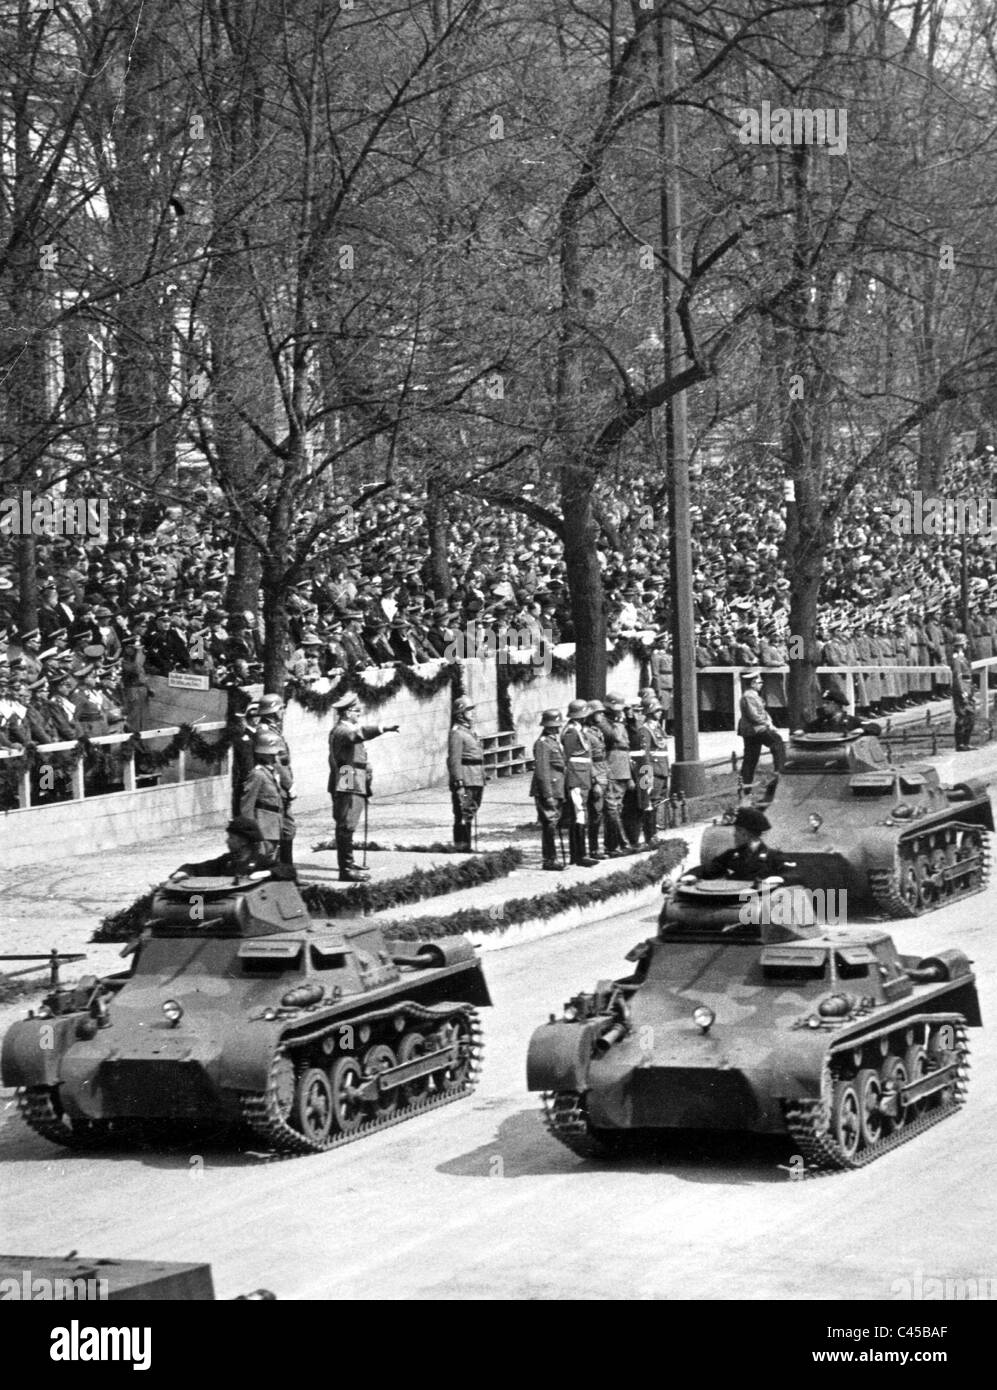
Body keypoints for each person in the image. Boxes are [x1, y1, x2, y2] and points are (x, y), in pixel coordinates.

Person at [328, 691, 398, 881]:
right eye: (356, 711)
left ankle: (349, 862)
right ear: (347, 712)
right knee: (346, 823)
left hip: (353, 774)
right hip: (348, 775)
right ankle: (346, 868)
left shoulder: (346, 728)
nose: (359, 714)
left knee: (350, 821)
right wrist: (382, 728)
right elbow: (358, 735)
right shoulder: (342, 730)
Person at [170, 816, 294, 881]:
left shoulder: (259, 861)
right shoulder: (226, 861)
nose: (227, 841)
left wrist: (267, 872)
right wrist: (184, 872)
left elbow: (288, 870)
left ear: (243, 841)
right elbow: (198, 868)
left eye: (231, 838)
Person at [240, 729, 293, 864]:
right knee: (262, 861)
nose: (278, 756)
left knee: (272, 860)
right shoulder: (257, 774)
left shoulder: (272, 772)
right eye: (276, 753)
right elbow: (247, 805)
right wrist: (251, 832)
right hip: (263, 826)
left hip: (274, 825)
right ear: (267, 755)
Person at [695, 806, 787, 882]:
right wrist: (692, 875)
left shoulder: (773, 856)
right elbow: (708, 869)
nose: (734, 834)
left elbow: (793, 873)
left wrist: (780, 878)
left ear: (747, 834)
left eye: (738, 831)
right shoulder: (731, 855)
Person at [560, 698, 598, 867]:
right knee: (578, 813)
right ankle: (579, 854)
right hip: (576, 776)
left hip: (584, 775)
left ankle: (581, 853)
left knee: (582, 813)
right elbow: (570, 757)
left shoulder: (579, 730)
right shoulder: (571, 732)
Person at [737, 669, 785, 795]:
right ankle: (779, 773)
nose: (761, 684)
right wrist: (768, 724)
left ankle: (745, 788)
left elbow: (762, 712)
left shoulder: (752, 695)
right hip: (756, 729)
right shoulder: (749, 696)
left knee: (750, 759)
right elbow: (755, 716)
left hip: (753, 730)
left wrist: (770, 722)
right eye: (759, 682)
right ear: (752, 683)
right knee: (777, 742)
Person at [530, 707, 566, 870]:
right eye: (554, 725)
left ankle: (552, 857)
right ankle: (549, 859)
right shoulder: (543, 743)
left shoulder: (553, 741)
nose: (557, 728)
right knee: (550, 824)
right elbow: (542, 771)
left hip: (557, 787)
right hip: (549, 788)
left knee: (553, 823)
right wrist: (548, 794)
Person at [447, 695, 484, 850]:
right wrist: (459, 783)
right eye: (469, 710)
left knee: (471, 812)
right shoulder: (456, 733)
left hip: (475, 777)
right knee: (463, 813)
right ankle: (462, 846)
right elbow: (454, 760)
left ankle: (466, 846)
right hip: (466, 778)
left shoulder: (469, 731)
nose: (473, 713)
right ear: (460, 713)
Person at [637, 699, 670, 844]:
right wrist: (647, 777)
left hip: (662, 770)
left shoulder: (658, 728)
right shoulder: (645, 730)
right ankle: (650, 837)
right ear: (649, 712)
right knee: (649, 803)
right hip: (653, 772)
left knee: (657, 803)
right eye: (657, 710)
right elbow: (645, 755)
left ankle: (654, 835)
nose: (660, 712)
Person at [950, 633, 976, 751]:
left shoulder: (962, 657)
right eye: (965, 643)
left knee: (970, 716)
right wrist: (962, 692)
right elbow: (957, 677)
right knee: (962, 715)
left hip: (967, 687)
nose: (966, 645)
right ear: (961, 645)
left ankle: (966, 743)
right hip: (962, 689)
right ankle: (960, 744)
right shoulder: (957, 659)